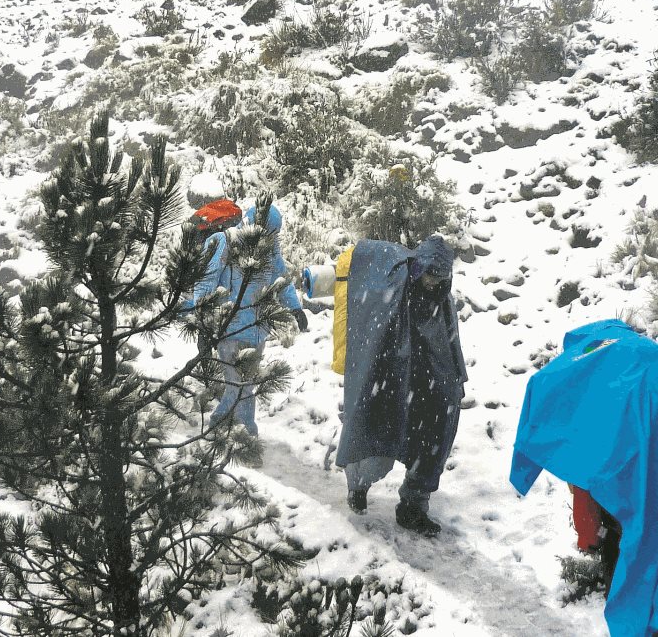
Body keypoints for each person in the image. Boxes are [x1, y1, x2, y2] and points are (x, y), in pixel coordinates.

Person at [510, 319, 658, 637]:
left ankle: (655, 619)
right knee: (636, 543)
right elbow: (597, 424)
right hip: (629, 482)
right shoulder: (632, 387)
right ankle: (634, 620)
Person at [334, 235, 466, 537]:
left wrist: (453, 382)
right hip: (392, 370)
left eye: (439, 278)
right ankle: (358, 484)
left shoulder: (442, 298)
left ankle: (413, 506)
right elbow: (378, 327)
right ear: (418, 269)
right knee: (376, 426)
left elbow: (448, 338)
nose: (433, 284)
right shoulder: (395, 287)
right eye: (429, 277)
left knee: (434, 437)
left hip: (429, 377)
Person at [191, 200, 307, 439]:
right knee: (238, 385)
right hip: (230, 328)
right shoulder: (225, 242)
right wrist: (204, 320)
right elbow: (206, 282)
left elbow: (281, 281)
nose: (268, 239)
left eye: (272, 235)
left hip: (257, 330)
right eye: (265, 233)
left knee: (245, 385)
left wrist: (296, 308)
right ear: (252, 226)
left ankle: (227, 429)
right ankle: (240, 433)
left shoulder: (270, 251)